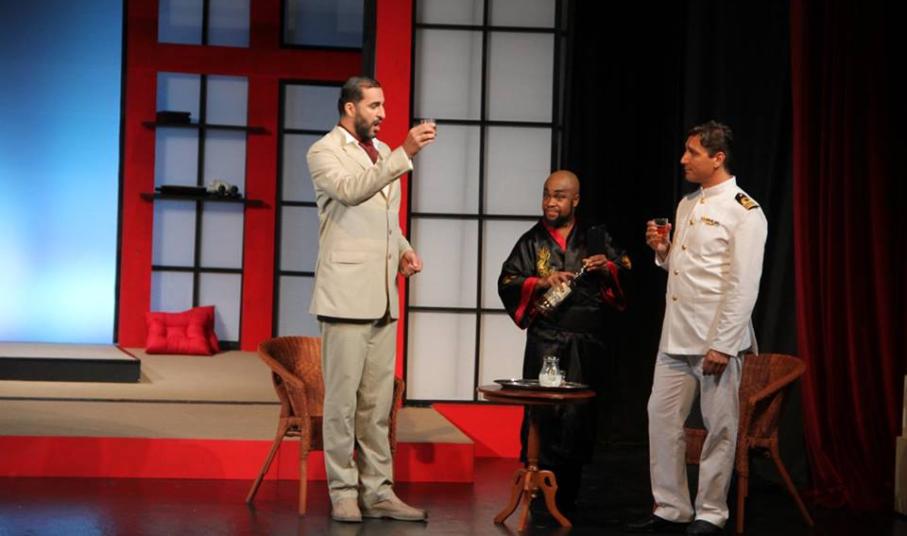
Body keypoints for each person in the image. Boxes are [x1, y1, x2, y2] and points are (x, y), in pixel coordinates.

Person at [626, 121, 767, 535]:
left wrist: (723, 344)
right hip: (676, 335)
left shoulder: (745, 210)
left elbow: (744, 285)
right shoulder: (687, 203)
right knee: (661, 419)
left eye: (693, 152)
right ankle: (671, 507)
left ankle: (710, 512)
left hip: (714, 339)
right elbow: (686, 270)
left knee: (719, 427)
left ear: (718, 158)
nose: (683, 159)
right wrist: (662, 250)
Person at [306, 76, 435, 523]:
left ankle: (378, 491)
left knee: (377, 405)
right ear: (350, 108)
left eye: (383, 105)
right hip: (344, 295)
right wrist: (405, 153)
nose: (382, 114)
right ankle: (343, 491)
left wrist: (404, 250)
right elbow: (351, 191)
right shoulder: (324, 152)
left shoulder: (380, 153)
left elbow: (386, 221)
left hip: (382, 295)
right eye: (374, 106)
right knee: (341, 404)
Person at [498, 170, 631, 518]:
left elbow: (626, 269)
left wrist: (607, 268)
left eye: (558, 196)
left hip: (585, 343)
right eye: (546, 195)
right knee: (543, 415)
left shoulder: (594, 237)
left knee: (578, 419)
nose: (550, 202)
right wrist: (542, 281)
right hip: (546, 340)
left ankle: (568, 494)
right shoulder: (532, 241)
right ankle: (539, 494)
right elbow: (508, 280)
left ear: (575, 199)